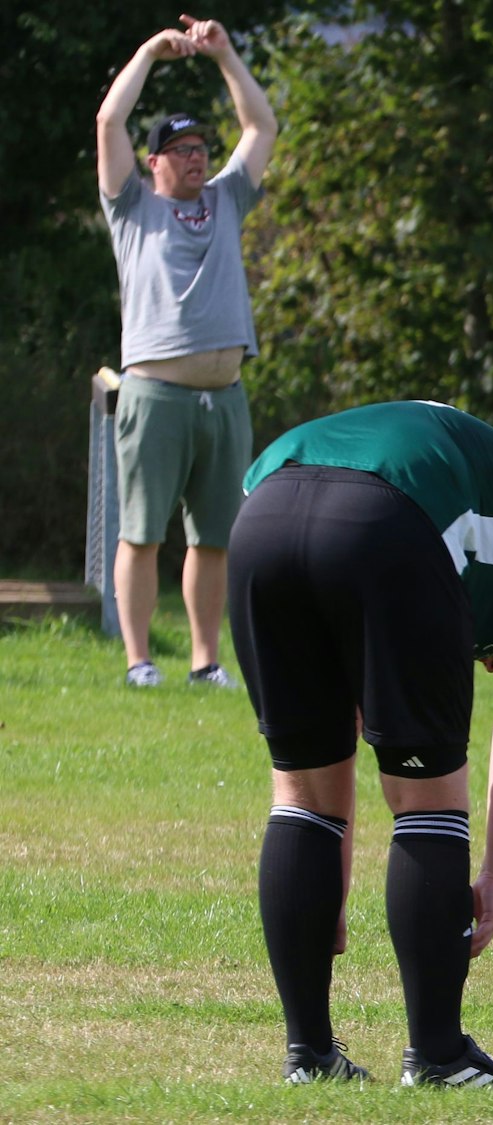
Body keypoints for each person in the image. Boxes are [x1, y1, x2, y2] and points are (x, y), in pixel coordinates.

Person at [228, 401, 493, 1087]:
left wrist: (329, 887)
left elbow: (341, 725)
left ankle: (309, 1055)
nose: (490, 663)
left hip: (261, 510)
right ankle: (440, 1056)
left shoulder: (488, 481)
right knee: (426, 794)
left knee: (302, 791)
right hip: (388, 519)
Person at [95, 15, 277, 689]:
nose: (197, 155)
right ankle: (141, 661)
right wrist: (149, 52)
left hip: (224, 394)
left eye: (203, 146)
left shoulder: (227, 199)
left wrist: (226, 55)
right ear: (154, 162)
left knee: (216, 538)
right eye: (182, 149)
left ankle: (206, 662)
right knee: (142, 532)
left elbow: (261, 128)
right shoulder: (132, 205)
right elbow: (109, 122)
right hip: (156, 393)